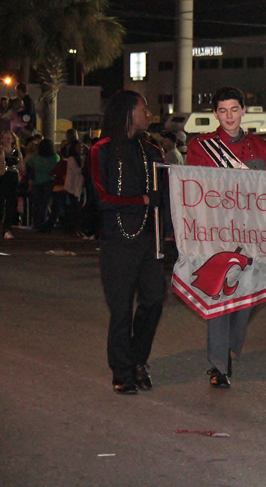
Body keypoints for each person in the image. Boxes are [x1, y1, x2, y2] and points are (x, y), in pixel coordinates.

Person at [187, 86, 266, 388]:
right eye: (222, 111)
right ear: (215, 114)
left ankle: (228, 348)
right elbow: (194, 190)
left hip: (252, 230)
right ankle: (219, 365)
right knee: (219, 295)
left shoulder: (260, 146)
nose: (229, 116)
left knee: (248, 297)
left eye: (234, 109)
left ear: (244, 111)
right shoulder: (200, 146)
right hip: (217, 233)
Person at [91, 90, 170, 394]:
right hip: (117, 242)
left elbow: (164, 197)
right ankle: (122, 371)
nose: (149, 113)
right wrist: (142, 200)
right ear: (127, 112)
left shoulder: (152, 151)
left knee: (153, 300)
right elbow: (102, 198)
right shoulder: (102, 150)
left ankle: (138, 360)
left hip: (150, 241)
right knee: (121, 309)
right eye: (143, 107)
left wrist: (169, 229)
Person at [0, 129, 25, 239]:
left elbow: (22, 167)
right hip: (2, 177)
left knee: (11, 203)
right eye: (5, 138)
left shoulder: (17, 152)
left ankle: (7, 228)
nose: (7, 140)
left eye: (9, 138)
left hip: (13, 178)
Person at [26, 138, 59, 229]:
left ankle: (36, 223)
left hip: (37, 182)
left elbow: (28, 166)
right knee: (44, 204)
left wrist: (30, 179)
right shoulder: (55, 157)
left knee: (36, 204)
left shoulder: (35, 157)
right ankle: (43, 222)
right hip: (49, 182)